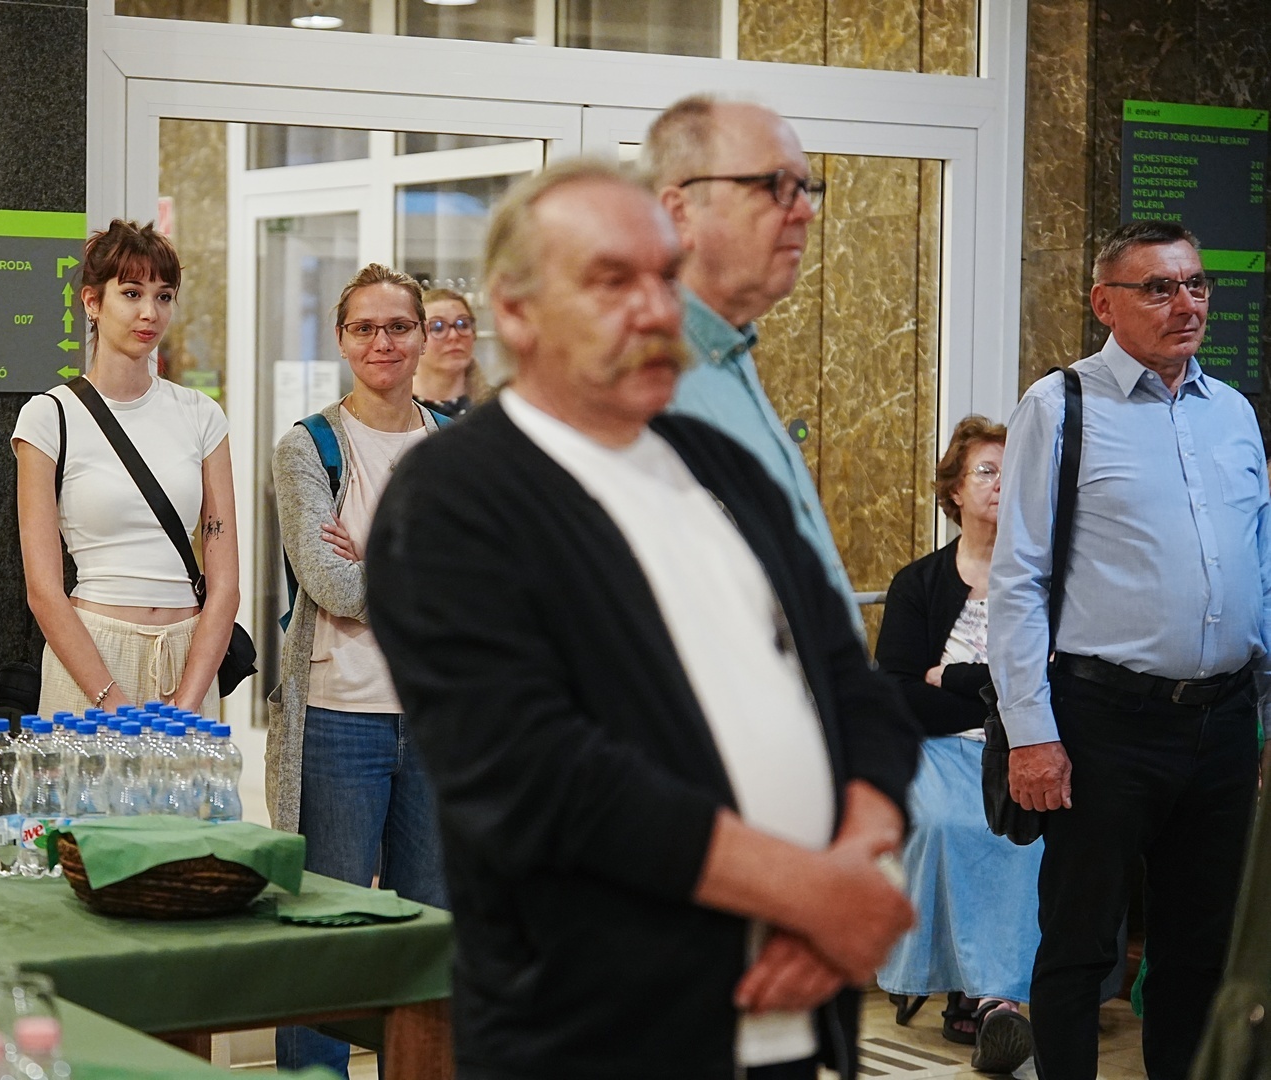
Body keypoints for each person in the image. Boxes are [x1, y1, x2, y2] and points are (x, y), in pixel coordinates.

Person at [364, 158, 921, 1080]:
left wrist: (861, 868)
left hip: (793, 1020)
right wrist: (815, 895)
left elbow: (850, 684)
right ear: (517, 312)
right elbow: (540, 776)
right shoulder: (452, 499)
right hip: (597, 1035)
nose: (657, 309)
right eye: (612, 280)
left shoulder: (720, 464)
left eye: (665, 276)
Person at [989, 219, 1271, 1080]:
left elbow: (1259, 568)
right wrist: (1032, 734)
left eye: (1195, 284)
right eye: (1158, 288)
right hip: (1104, 721)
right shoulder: (1060, 406)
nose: (1186, 304)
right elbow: (1018, 579)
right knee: (1080, 947)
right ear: (1103, 303)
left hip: (1224, 723)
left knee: (1198, 950)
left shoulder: (1234, 413)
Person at [267, 263, 450, 1076]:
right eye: (365, 328)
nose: (383, 342)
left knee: (429, 936)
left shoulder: (457, 446)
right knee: (326, 937)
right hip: (339, 719)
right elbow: (330, 584)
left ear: (423, 336)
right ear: (342, 340)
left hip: (442, 724)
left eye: (398, 326)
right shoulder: (308, 448)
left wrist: (372, 557)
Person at [643, 95, 861, 633]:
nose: (804, 211)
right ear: (679, 212)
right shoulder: (641, 380)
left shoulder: (729, 354)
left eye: (805, 187)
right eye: (774, 186)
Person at [12, 220, 237, 716]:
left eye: (164, 296)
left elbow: (225, 585)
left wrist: (189, 698)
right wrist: (111, 702)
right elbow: (43, 590)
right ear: (92, 302)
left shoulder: (201, 414)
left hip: (188, 655)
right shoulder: (49, 416)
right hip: (91, 656)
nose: (149, 312)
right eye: (132, 293)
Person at [873, 416, 1039, 1075]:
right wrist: (999, 693)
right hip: (937, 748)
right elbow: (899, 695)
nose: (1000, 483)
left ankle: (1000, 1003)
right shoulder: (918, 584)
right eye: (986, 471)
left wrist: (960, 679)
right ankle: (964, 985)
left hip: (1021, 749)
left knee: (1027, 834)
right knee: (943, 821)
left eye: (1009, 471)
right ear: (954, 491)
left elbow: (1052, 681)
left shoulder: (1042, 581)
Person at [413, 287, 490, 418]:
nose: (454, 335)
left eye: (463, 325)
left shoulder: (496, 404)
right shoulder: (395, 405)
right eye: (437, 327)